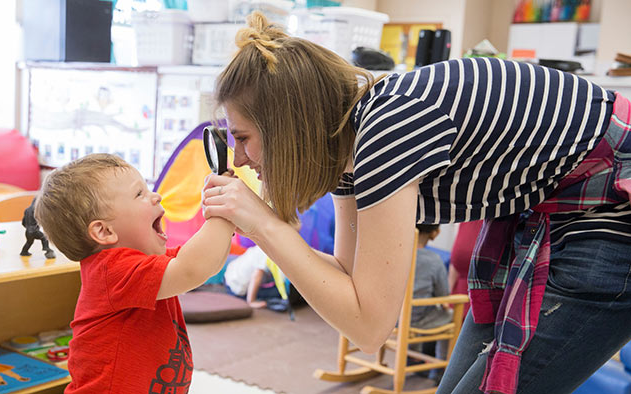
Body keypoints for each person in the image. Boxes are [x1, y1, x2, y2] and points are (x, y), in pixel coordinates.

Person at [201, 11, 631, 394]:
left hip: (612, 209)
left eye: (242, 138)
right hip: (555, 212)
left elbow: (369, 325)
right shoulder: (346, 145)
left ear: (291, 127)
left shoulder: (388, 127)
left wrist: (266, 227)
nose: (238, 159)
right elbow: (349, 281)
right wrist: (269, 233)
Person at [34, 153, 235, 394]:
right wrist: (225, 211)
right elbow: (194, 268)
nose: (156, 196)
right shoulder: (112, 271)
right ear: (104, 231)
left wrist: (228, 221)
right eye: (139, 194)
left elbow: (204, 261)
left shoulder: (147, 263)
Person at [410, 224, 451, 382]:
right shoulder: (434, 260)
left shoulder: (399, 252)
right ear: (435, 233)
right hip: (418, 320)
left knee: (412, 309)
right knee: (449, 315)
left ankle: (411, 358)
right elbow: (443, 295)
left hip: (391, 318)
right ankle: (439, 370)